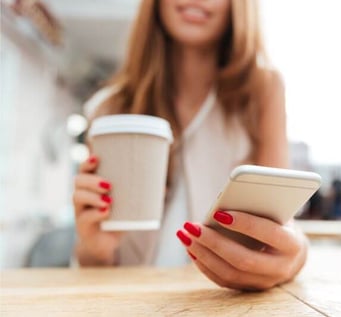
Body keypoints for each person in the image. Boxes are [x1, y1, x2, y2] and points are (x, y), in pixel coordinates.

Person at [72, 0, 308, 291]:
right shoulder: (109, 108)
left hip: (219, 300)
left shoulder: (262, 90)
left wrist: (293, 257)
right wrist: (94, 250)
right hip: (129, 297)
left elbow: (279, 222)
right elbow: (93, 260)